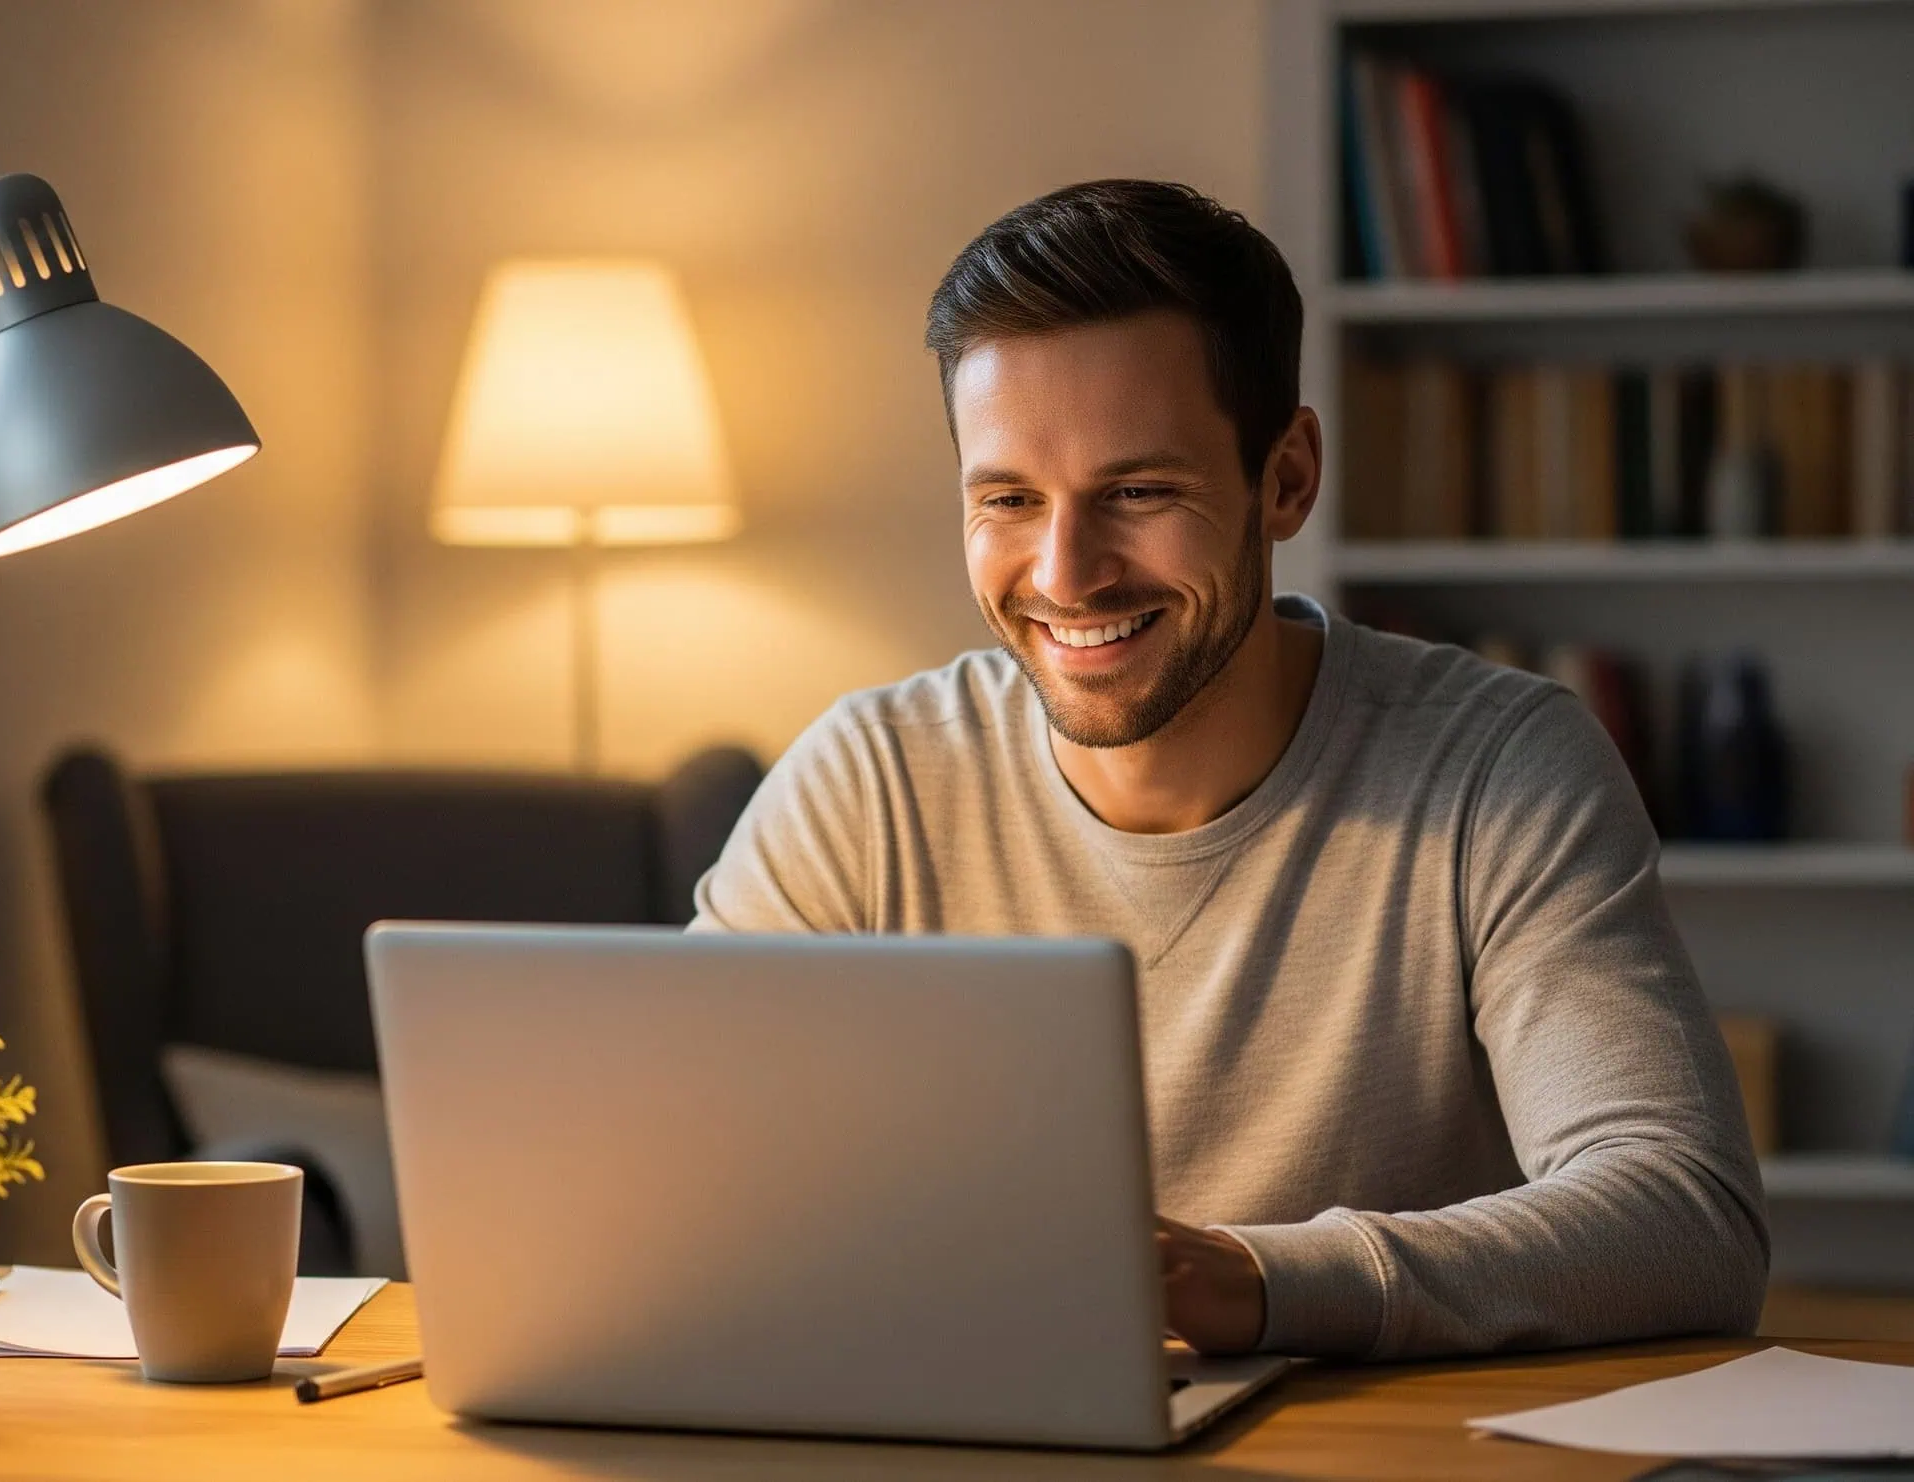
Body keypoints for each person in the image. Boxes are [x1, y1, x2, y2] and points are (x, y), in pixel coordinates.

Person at [691, 180, 1766, 1361]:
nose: (1066, 574)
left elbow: (1685, 1218)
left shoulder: (1498, 769)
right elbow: (666, 1169)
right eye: (1009, 500)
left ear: (1286, 478)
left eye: (1139, 492)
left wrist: (1258, 1282)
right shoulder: (871, 782)